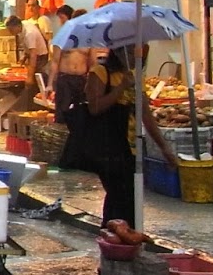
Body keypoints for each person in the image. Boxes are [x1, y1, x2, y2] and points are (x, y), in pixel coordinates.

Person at [60, 46, 178, 229]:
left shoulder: (134, 76)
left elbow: (145, 114)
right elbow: (95, 107)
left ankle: (120, 235)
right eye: (129, 52)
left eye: (136, 53)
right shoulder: (100, 72)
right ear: (117, 52)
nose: (133, 57)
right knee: (119, 194)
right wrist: (121, 87)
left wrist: (164, 147)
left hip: (130, 145)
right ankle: (115, 235)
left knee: (128, 196)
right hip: (108, 144)